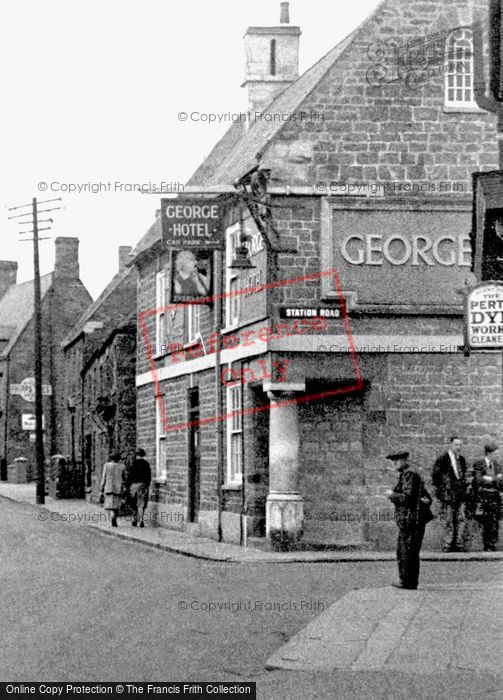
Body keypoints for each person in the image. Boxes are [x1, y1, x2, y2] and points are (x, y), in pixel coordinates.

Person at [386, 450, 433, 590]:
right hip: (414, 519)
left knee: (405, 550)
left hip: (410, 520)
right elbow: (426, 497)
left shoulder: (408, 474)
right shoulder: (412, 473)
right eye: (392, 460)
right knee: (409, 550)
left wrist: (392, 495)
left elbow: (406, 498)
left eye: (396, 460)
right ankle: (409, 581)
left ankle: (407, 581)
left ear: (404, 460)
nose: (394, 463)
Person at [431, 436, 468, 552]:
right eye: (456, 445)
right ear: (451, 445)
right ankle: (447, 544)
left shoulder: (461, 460)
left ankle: (459, 544)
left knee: (461, 518)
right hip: (448, 495)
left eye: (460, 445)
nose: (458, 447)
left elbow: (463, 476)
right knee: (448, 519)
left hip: (460, 494)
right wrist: (443, 491)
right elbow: (435, 478)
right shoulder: (443, 459)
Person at [470, 439, 503, 551]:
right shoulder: (479, 464)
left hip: (495, 497)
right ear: (489, 453)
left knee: (494, 521)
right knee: (485, 521)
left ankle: (492, 544)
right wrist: (494, 479)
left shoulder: (497, 465)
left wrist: (489, 479)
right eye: (495, 453)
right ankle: (486, 544)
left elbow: (500, 482)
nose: (497, 455)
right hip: (483, 497)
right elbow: (479, 479)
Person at [99, 453, 126, 527]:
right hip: (118, 488)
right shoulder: (122, 466)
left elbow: (104, 477)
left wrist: (101, 488)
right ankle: (115, 517)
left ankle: (112, 516)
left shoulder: (107, 465)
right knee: (117, 505)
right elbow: (124, 478)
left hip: (109, 487)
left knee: (110, 504)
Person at [128, 448, 151, 528]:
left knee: (134, 503)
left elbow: (130, 476)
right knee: (141, 504)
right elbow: (149, 477)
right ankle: (141, 520)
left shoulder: (133, 464)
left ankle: (134, 520)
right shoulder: (146, 464)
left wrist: (129, 486)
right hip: (143, 485)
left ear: (136, 455)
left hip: (134, 485)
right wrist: (146, 485)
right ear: (143, 455)